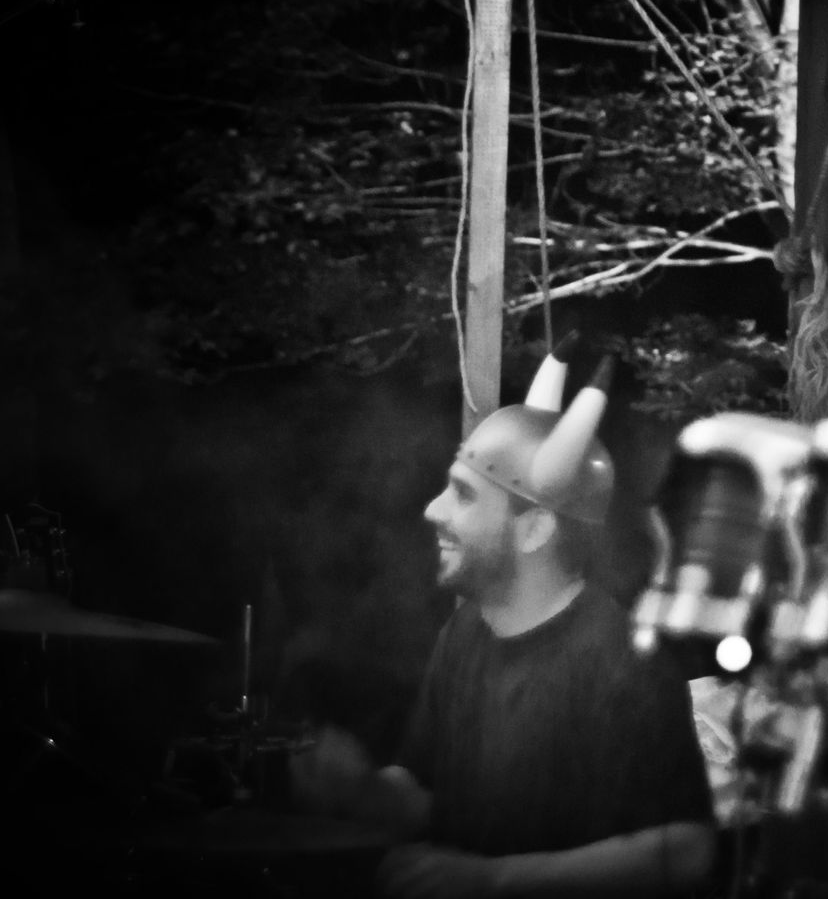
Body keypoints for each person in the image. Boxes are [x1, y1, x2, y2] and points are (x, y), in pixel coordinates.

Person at [292, 339, 717, 898]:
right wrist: (364, 792)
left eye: (463, 495)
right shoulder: (466, 632)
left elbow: (687, 850)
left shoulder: (622, 663)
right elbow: (428, 795)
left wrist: (492, 880)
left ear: (534, 528)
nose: (433, 510)